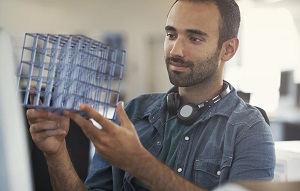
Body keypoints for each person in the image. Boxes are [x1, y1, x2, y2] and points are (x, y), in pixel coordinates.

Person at [27, 0, 276, 191]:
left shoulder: (250, 130)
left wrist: (138, 163)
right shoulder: (133, 112)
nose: (175, 50)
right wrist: (56, 152)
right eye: (171, 34)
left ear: (228, 49)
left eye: (195, 38)